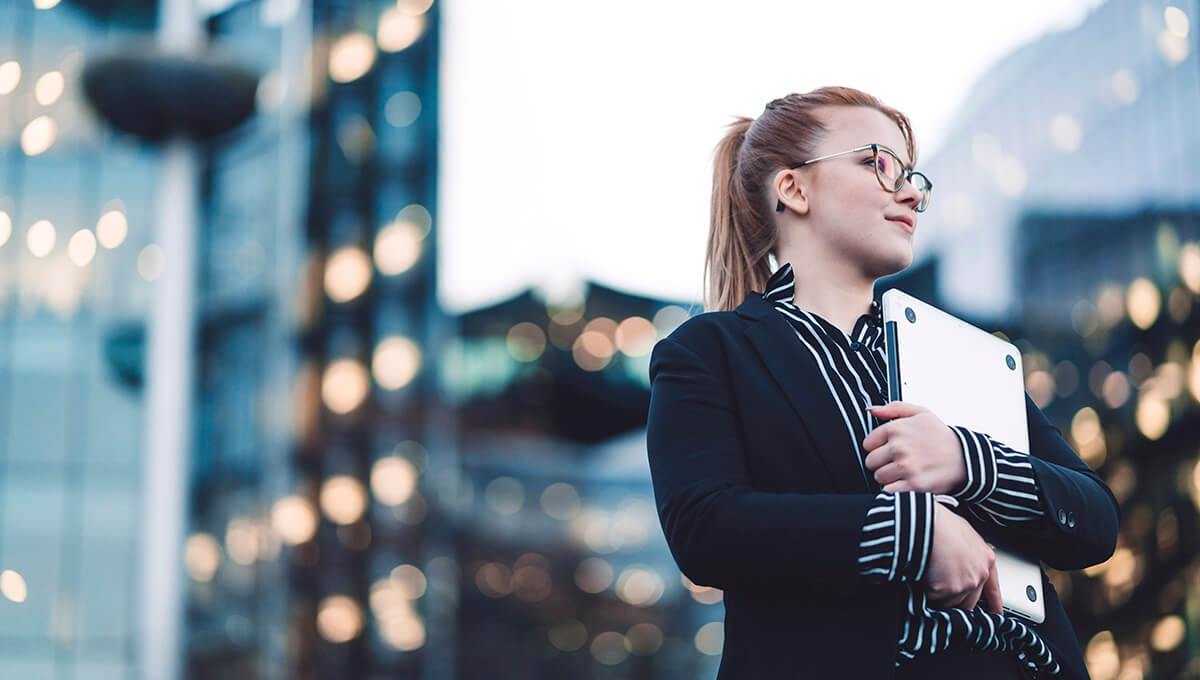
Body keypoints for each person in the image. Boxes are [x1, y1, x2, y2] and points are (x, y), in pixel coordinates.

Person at [645, 86, 1119, 679]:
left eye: (914, 175)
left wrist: (969, 461)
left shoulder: (964, 357)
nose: (909, 191)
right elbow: (705, 528)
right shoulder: (709, 352)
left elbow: (1096, 521)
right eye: (877, 162)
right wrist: (910, 534)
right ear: (793, 189)